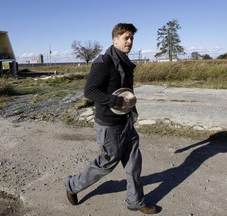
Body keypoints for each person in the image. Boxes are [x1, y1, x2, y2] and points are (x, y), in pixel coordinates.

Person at [65, 23, 157, 214]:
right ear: (115, 39)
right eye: (126, 38)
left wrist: (130, 109)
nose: (130, 42)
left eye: (132, 38)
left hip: (126, 121)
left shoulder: (124, 62)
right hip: (108, 125)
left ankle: (135, 201)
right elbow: (89, 91)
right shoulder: (104, 62)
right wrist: (114, 100)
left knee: (133, 163)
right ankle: (72, 185)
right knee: (106, 164)